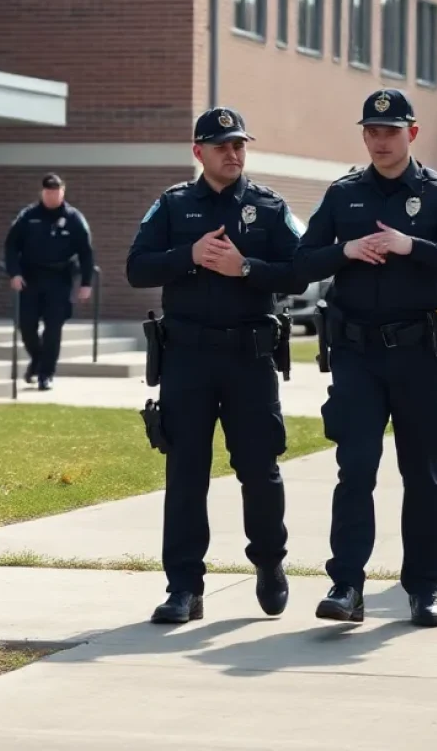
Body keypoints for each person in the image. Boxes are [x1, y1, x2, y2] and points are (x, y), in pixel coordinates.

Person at [296, 89, 437, 627]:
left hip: (422, 354)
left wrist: (411, 246)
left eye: (392, 131)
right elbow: (298, 263)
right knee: (355, 468)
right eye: (372, 132)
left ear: (413, 134)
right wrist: (345, 252)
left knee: (425, 475)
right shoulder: (343, 194)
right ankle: (346, 586)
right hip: (356, 353)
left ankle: (423, 589)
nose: (381, 141)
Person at [126, 106, 306, 624]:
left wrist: (243, 267)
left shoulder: (269, 207)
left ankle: (270, 563)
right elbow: (136, 267)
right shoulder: (172, 205)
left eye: (239, 145)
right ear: (197, 151)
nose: (233, 153)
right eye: (222, 145)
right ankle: (184, 588)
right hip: (187, 359)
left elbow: (300, 273)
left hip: (250, 358)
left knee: (260, 469)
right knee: (185, 473)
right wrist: (189, 254)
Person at [4, 174, 94, 391]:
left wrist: (86, 283)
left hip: (59, 280)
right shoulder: (28, 216)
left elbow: (86, 252)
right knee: (26, 327)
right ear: (42, 192)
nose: (51, 195)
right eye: (48, 191)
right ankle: (37, 359)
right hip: (31, 278)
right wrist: (14, 273)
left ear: (63, 192)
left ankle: (46, 374)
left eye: (56, 191)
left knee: (53, 329)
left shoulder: (74, 218)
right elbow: (11, 246)